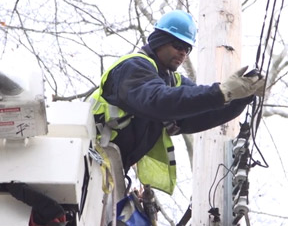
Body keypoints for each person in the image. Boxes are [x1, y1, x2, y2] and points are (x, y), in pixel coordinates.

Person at [90, 10, 264, 195]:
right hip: (92, 159)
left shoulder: (171, 82)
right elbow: (159, 101)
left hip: (109, 172)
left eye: (187, 48)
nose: (183, 53)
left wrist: (241, 96)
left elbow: (199, 113)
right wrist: (221, 92)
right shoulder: (134, 68)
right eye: (178, 45)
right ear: (159, 41)